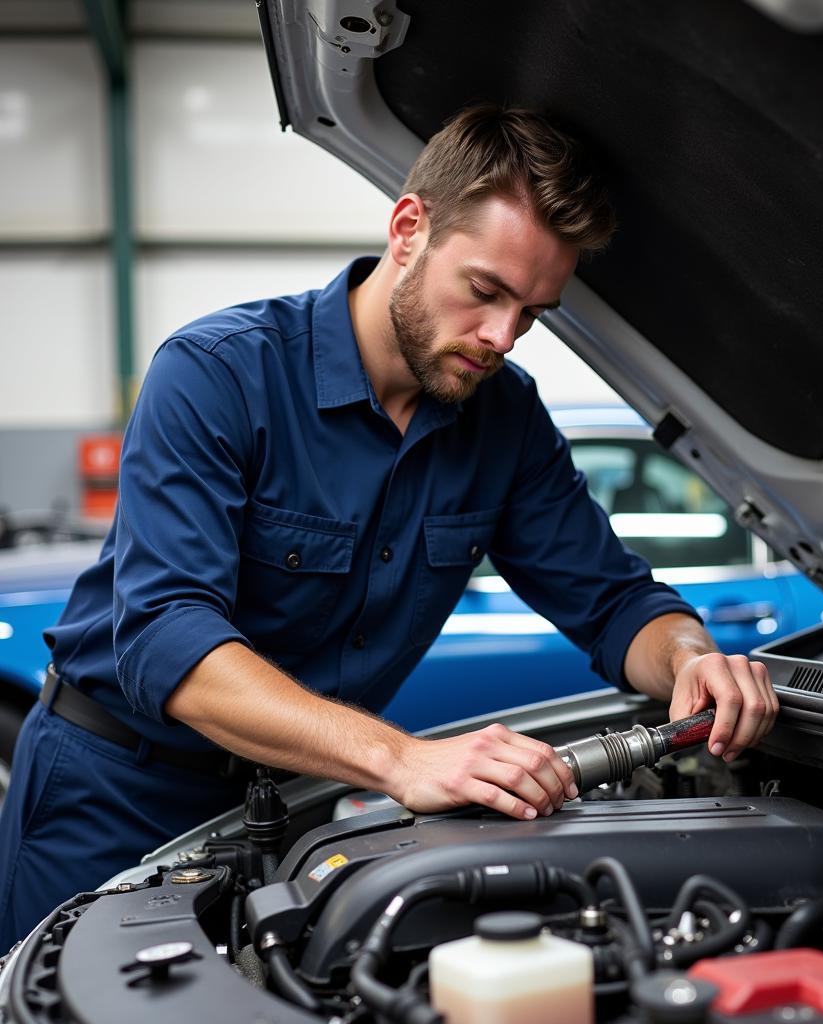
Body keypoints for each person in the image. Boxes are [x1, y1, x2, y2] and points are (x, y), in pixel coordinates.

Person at [0, 105, 777, 949]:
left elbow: (613, 603)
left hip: (296, 804)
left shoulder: (504, 420)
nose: (500, 338)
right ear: (409, 228)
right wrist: (405, 760)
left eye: (532, 313)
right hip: (114, 793)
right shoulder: (219, 374)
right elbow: (165, 638)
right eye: (484, 291)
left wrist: (692, 661)